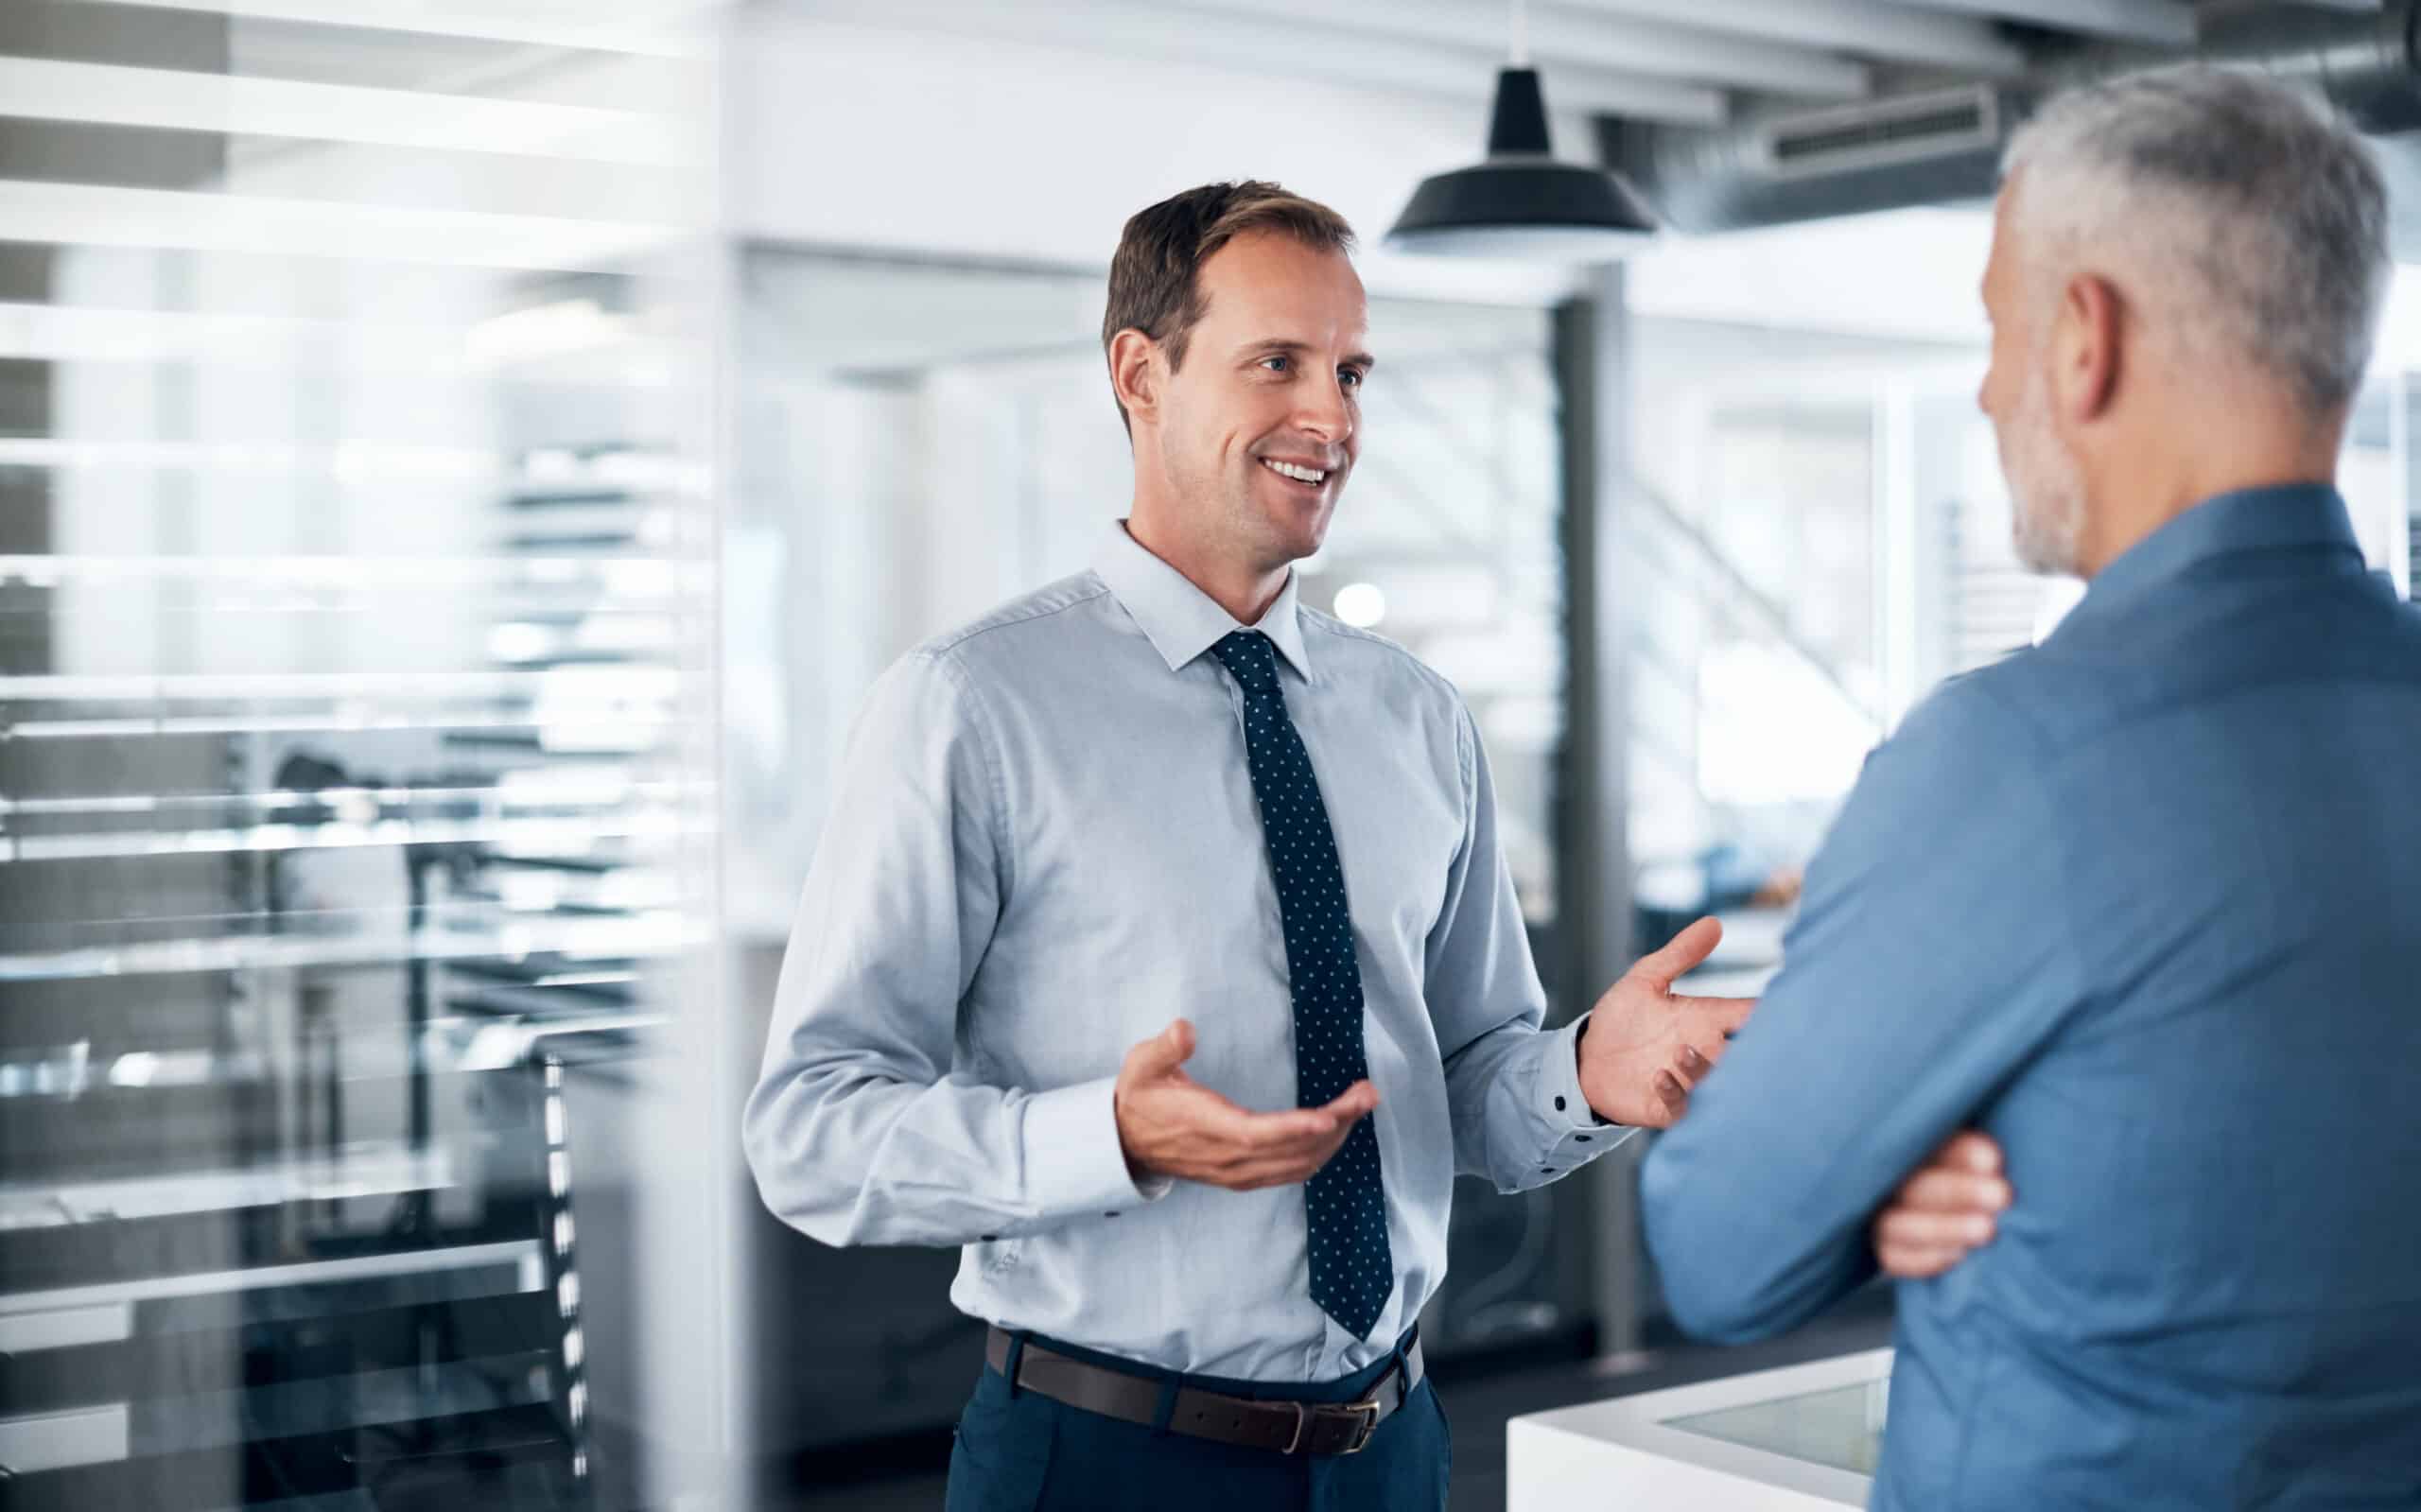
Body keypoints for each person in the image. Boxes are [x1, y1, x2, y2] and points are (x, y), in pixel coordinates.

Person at [744, 182, 1999, 1511]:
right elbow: (811, 1132)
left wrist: (1588, 1072)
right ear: (1140, 374)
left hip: (1391, 1449)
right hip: (1105, 1456)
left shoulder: (1413, 715)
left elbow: (1463, 1089)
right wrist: (1106, 1137)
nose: (1331, 418)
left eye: (1351, 371)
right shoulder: (975, 707)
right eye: (1276, 362)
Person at [1640, 69, 2421, 1510]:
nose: (1993, 388)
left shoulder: (2012, 758)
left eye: (1999, 329)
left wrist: (1867, 1165)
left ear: (2082, 340)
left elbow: (1726, 1247)